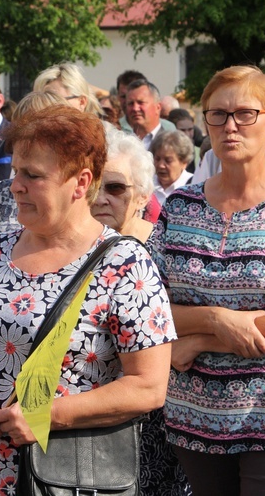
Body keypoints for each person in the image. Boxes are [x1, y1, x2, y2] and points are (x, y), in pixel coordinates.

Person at [0, 105, 176, 494]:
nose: (16, 185)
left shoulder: (125, 264)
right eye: (16, 172)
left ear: (80, 183)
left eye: (33, 175)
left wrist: (48, 416)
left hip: (72, 480)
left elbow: (148, 385)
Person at [153, 66, 265, 495]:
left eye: (245, 114)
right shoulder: (180, 206)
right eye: (216, 114)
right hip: (194, 410)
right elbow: (149, 311)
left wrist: (198, 338)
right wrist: (217, 318)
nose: (229, 125)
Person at [90, 128, 190, 496]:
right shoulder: (75, 248)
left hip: (158, 413)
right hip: (88, 411)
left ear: (143, 197)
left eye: (115, 188)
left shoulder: (164, 248)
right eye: (93, 186)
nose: (101, 198)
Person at [0, 90, 69, 239]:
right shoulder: (4, 192)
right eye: (19, 131)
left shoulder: (76, 191)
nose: (28, 140)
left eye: (40, 132)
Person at [33, 62, 103, 116]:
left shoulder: (107, 134)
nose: (46, 109)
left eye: (55, 101)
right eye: (41, 102)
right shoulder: (29, 133)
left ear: (82, 102)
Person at [125, 79, 174, 150]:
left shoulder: (171, 144)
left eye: (141, 102)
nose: (135, 108)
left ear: (158, 107)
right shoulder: (122, 144)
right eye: (130, 103)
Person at [151, 130, 195, 207]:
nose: (161, 165)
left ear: (184, 162)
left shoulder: (194, 186)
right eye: (157, 159)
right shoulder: (147, 185)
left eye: (168, 160)